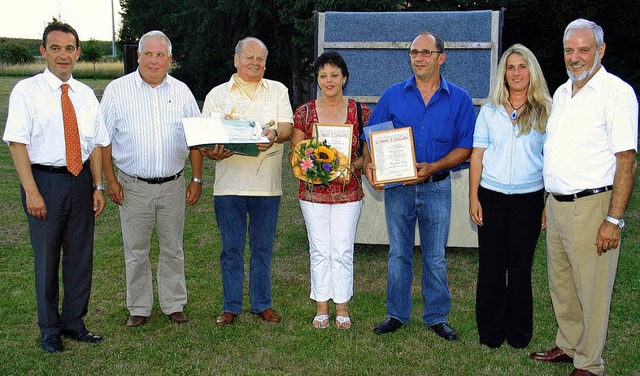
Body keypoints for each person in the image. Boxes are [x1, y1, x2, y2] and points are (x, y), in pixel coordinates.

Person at [529, 19, 637, 376]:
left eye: (583, 50)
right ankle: (569, 344)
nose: (575, 58)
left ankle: (590, 363)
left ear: (600, 51)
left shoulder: (616, 93)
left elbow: (627, 160)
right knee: (561, 283)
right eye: (569, 50)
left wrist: (613, 219)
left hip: (593, 206)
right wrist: (548, 199)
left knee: (591, 289)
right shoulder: (562, 93)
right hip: (557, 204)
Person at [3, 22, 109, 352]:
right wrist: (31, 191)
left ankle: (74, 321)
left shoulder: (86, 95)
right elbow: (17, 144)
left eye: (69, 49)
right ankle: (50, 328)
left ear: (77, 53)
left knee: (80, 257)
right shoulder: (27, 91)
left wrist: (99, 186)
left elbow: (95, 145)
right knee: (47, 258)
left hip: (81, 183)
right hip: (45, 182)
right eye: (55, 48)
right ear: (43, 52)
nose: (63, 55)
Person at [362, 32, 475, 339]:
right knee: (398, 253)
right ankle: (396, 314)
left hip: (437, 187)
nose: (419, 58)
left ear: (441, 57)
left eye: (426, 52)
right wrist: (371, 164)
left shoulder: (460, 99)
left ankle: (437, 316)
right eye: (414, 52)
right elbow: (371, 136)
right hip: (398, 188)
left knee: (435, 255)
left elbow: (466, 146)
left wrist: (434, 168)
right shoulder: (392, 95)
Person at [101, 30, 203, 328]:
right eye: (149, 54)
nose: (154, 60)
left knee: (173, 249)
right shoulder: (117, 90)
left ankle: (173, 303)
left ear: (169, 59)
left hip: (173, 185)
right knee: (136, 251)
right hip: (132, 186)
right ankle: (139, 306)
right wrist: (110, 181)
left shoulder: (182, 91)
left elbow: (196, 138)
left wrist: (196, 179)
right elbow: (103, 141)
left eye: (161, 55)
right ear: (138, 56)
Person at [200, 37, 293, 326]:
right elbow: (205, 138)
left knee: (263, 248)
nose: (255, 63)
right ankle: (231, 306)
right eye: (249, 57)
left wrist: (274, 136)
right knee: (231, 249)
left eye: (260, 59)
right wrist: (212, 151)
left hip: (267, 185)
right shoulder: (217, 94)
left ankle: (262, 303)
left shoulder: (277, 90)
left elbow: (287, 126)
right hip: (229, 185)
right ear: (236, 60)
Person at [469, 44, 551, 349]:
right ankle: (490, 332)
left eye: (522, 67)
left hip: (528, 200)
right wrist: (473, 197)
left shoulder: (547, 110)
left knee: (519, 268)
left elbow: (552, 158)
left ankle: (519, 332)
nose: (516, 73)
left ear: (532, 72)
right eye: (511, 67)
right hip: (490, 196)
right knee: (491, 266)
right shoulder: (489, 110)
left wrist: (547, 203)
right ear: (503, 73)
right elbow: (477, 156)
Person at [291, 51, 371, 329]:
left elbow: (366, 156)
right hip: (313, 194)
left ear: (344, 78)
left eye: (334, 75)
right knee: (320, 249)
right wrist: (312, 167)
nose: (329, 80)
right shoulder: (304, 112)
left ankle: (343, 308)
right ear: (317, 79)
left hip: (349, 193)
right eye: (323, 75)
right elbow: (298, 155)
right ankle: (321, 307)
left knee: (342, 249)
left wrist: (349, 166)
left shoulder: (361, 112)